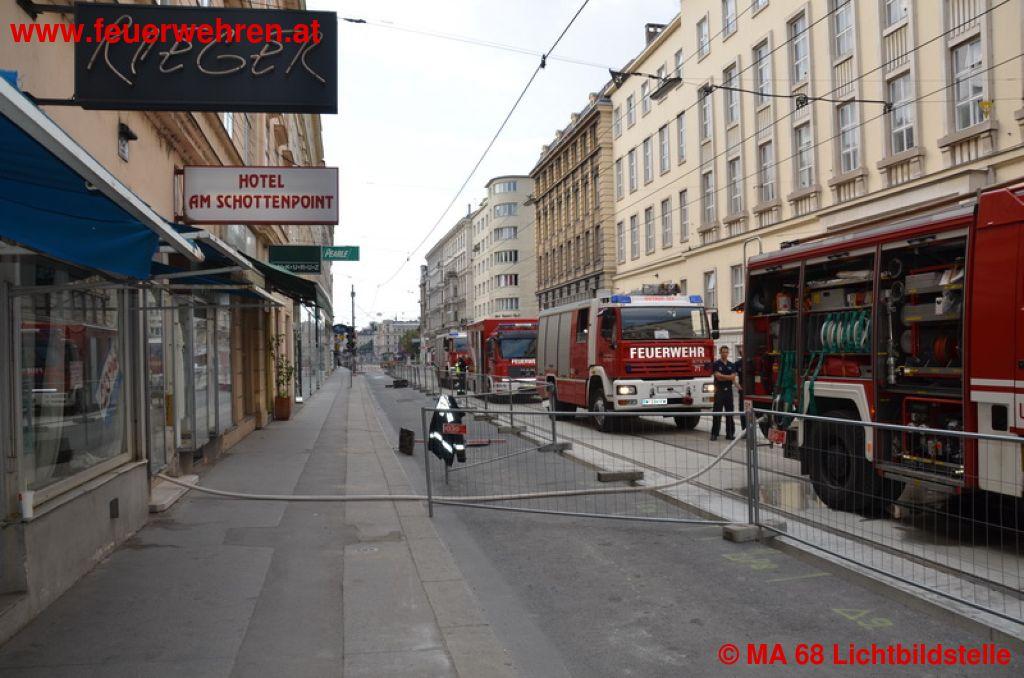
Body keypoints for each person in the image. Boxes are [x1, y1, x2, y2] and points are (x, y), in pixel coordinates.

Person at [710, 345, 738, 441]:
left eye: (726, 352)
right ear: (720, 353)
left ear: (728, 353)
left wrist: (724, 376)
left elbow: (733, 377)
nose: (725, 354)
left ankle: (730, 434)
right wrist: (728, 377)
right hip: (719, 391)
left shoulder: (732, 364)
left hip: (728, 391)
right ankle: (714, 434)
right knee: (717, 413)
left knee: (730, 413)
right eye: (723, 352)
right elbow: (717, 377)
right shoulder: (716, 364)